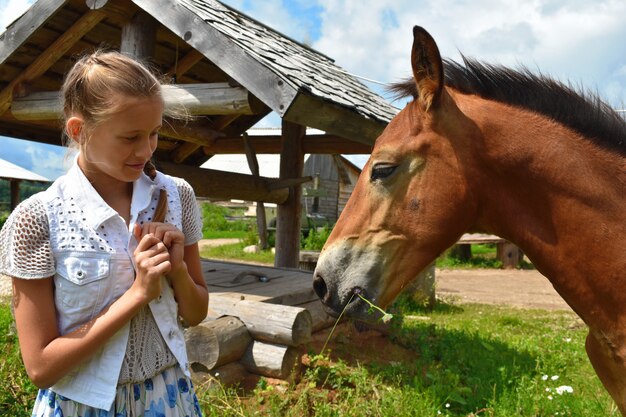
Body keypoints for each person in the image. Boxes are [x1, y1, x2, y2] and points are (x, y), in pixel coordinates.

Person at [0, 50, 208, 416]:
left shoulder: (177, 197)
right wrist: (138, 294)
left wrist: (176, 270)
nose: (145, 150)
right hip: (80, 406)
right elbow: (40, 368)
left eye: (154, 133)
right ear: (79, 130)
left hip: (169, 395)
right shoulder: (38, 219)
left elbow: (196, 314)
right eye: (130, 138)